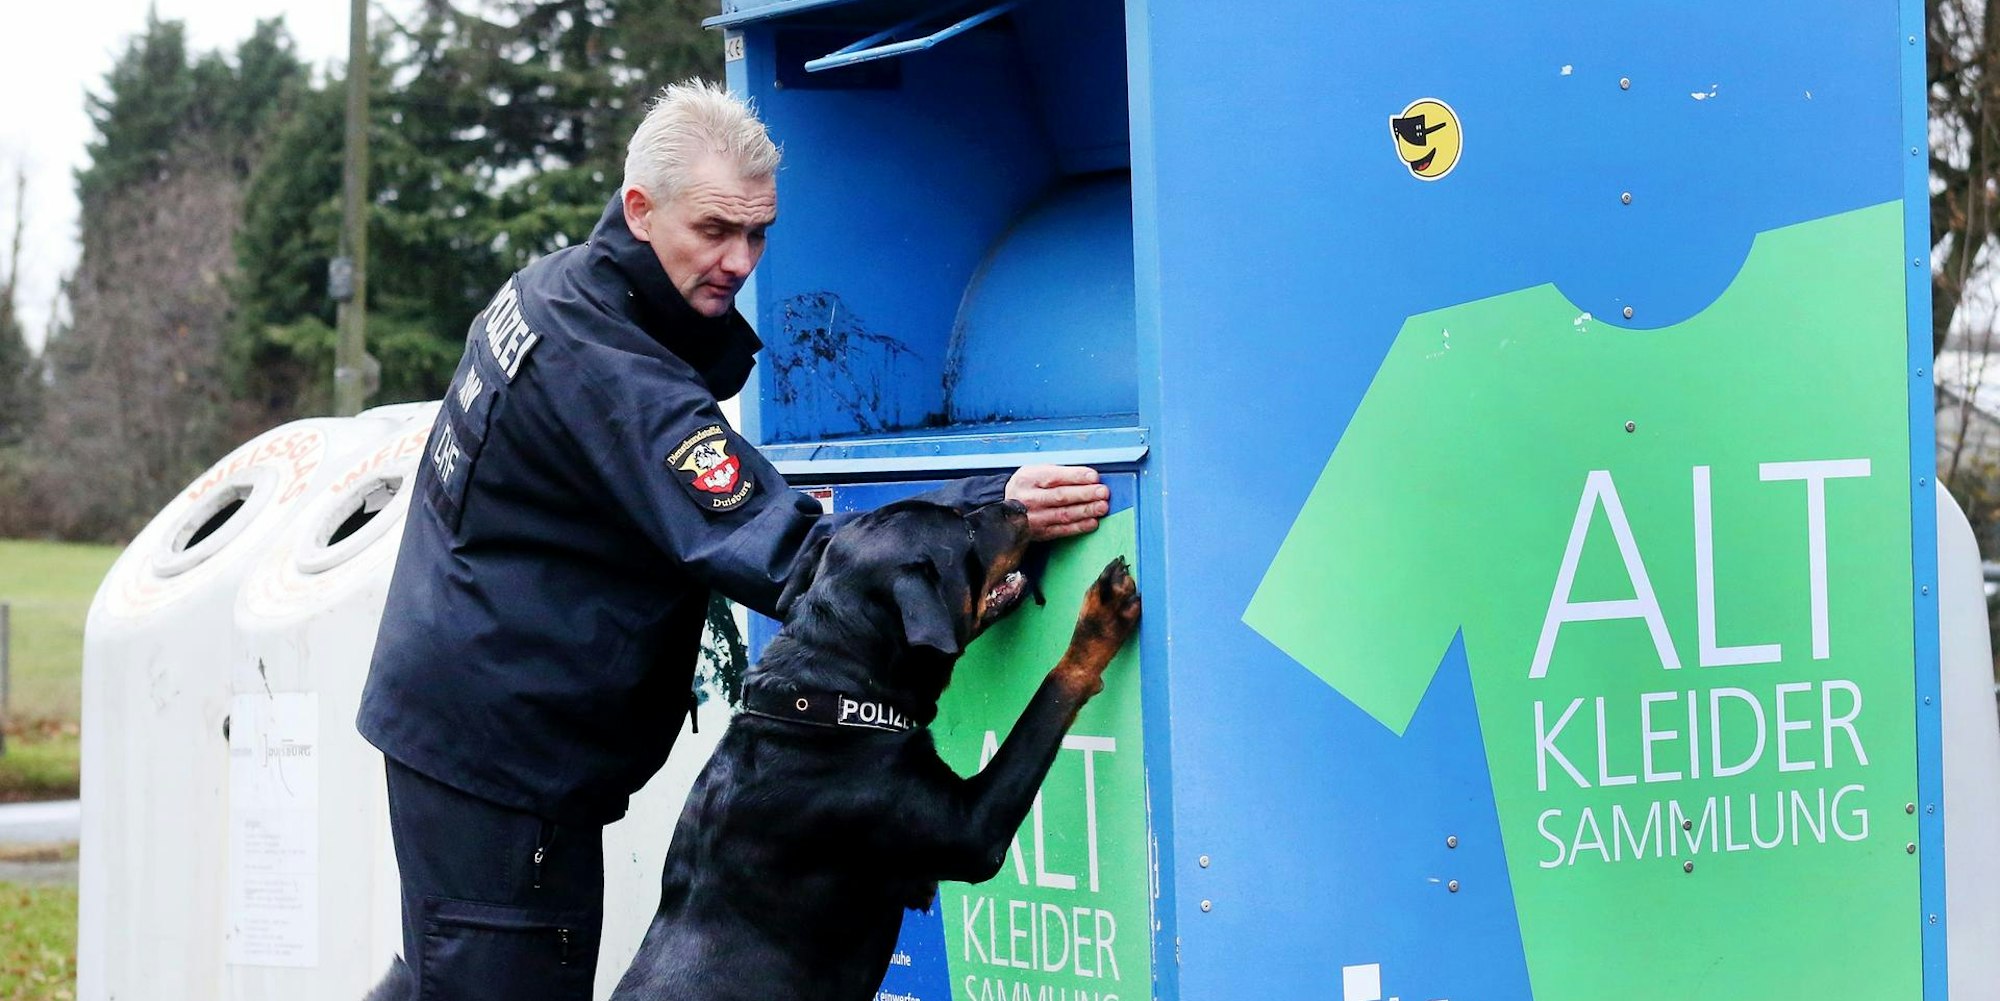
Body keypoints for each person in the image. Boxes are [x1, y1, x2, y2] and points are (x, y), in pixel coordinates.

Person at [355, 79, 1110, 1000]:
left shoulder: (557, 290)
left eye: (757, 234)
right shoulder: (613, 370)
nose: (740, 259)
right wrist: (988, 510)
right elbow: (783, 544)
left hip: (472, 725)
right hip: (506, 760)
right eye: (714, 230)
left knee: (445, 974)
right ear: (640, 208)